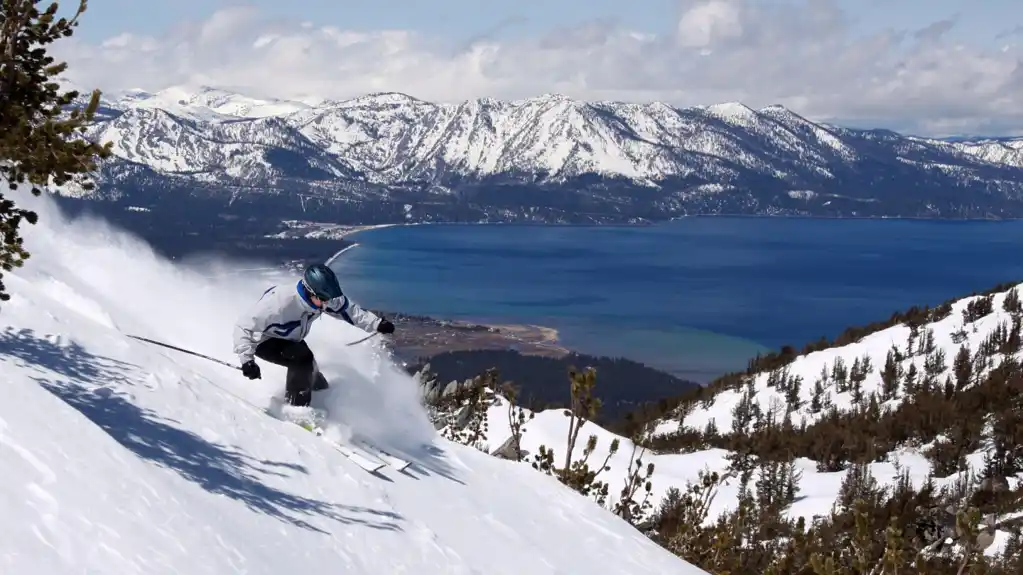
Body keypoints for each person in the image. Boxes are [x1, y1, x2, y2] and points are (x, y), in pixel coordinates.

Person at [232, 263, 395, 406]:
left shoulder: (323, 299)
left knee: (311, 370)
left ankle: (321, 394)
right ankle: (297, 409)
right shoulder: (279, 303)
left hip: (289, 338)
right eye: (324, 298)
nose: (327, 303)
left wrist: (377, 323)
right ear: (310, 291)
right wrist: (247, 361)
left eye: (330, 298)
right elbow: (243, 327)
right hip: (263, 341)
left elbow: (349, 311)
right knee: (302, 358)